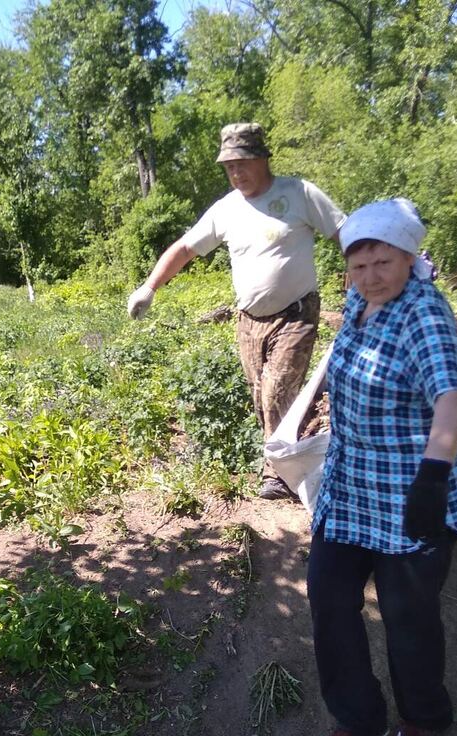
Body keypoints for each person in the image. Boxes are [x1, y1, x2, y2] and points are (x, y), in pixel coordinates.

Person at [307, 198, 457, 736]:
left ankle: (424, 717)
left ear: (408, 257)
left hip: (409, 492)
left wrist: (433, 477)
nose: (371, 276)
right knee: (329, 600)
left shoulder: (424, 313)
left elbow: (450, 398)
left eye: (383, 262)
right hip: (350, 486)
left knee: (407, 615)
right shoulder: (359, 300)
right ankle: (358, 718)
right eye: (359, 265)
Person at [126, 123, 346, 500]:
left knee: (277, 390)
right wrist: (150, 286)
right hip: (248, 321)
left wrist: (362, 285)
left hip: (296, 313)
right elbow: (184, 249)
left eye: (242, 163)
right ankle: (296, 452)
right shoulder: (226, 210)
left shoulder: (299, 193)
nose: (235, 173)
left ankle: (278, 474)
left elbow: (346, 232)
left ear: (262, 159)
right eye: (228, 166)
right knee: (261, 396)